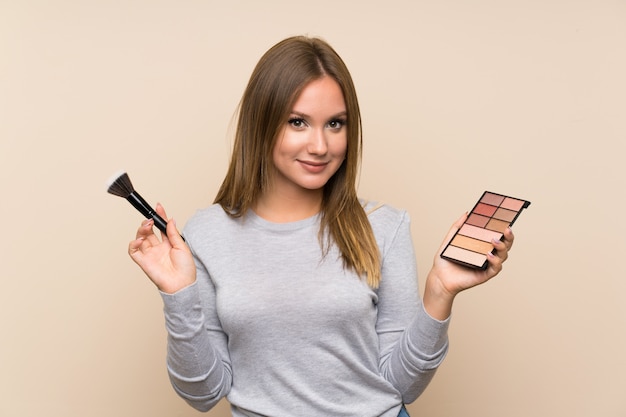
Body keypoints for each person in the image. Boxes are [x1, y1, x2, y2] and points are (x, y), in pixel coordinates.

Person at [128, 36, 514, 417]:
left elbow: (401, 386)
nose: (320, 145)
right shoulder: (208, 233)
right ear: (261, 123)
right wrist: (178, 295)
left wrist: (439, 292)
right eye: (298, 122)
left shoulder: (384, 227)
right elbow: (203, 394)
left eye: (335, 124)